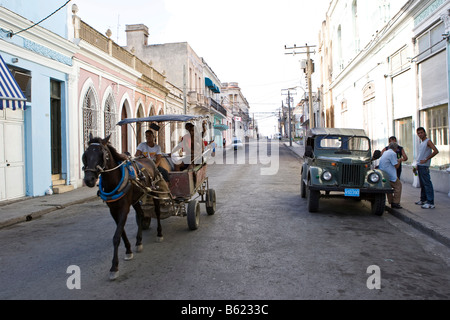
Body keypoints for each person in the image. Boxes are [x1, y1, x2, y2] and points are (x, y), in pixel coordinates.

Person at [415, 127, 439, 209]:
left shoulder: (427, 141)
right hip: (420, 165)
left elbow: (435, 151)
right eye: (418, 133)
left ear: (424, 133)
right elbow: (420, 155)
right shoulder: (421, 143)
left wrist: (426, 159)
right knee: (423, 184)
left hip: (424, 166)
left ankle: (430, 202)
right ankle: (423, 200)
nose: (420, 134)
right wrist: (417, 164)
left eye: (421, 132)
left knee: (427, 184)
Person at [379, 142, 403, 209]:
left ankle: (391, 201)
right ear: (396, 148)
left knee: (388, 187)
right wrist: (400, 161)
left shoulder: (385, 152)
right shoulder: (393, 153)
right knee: (398, 186)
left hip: (384, 174)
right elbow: (396, 166)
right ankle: (395, 202)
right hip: (390, 174)